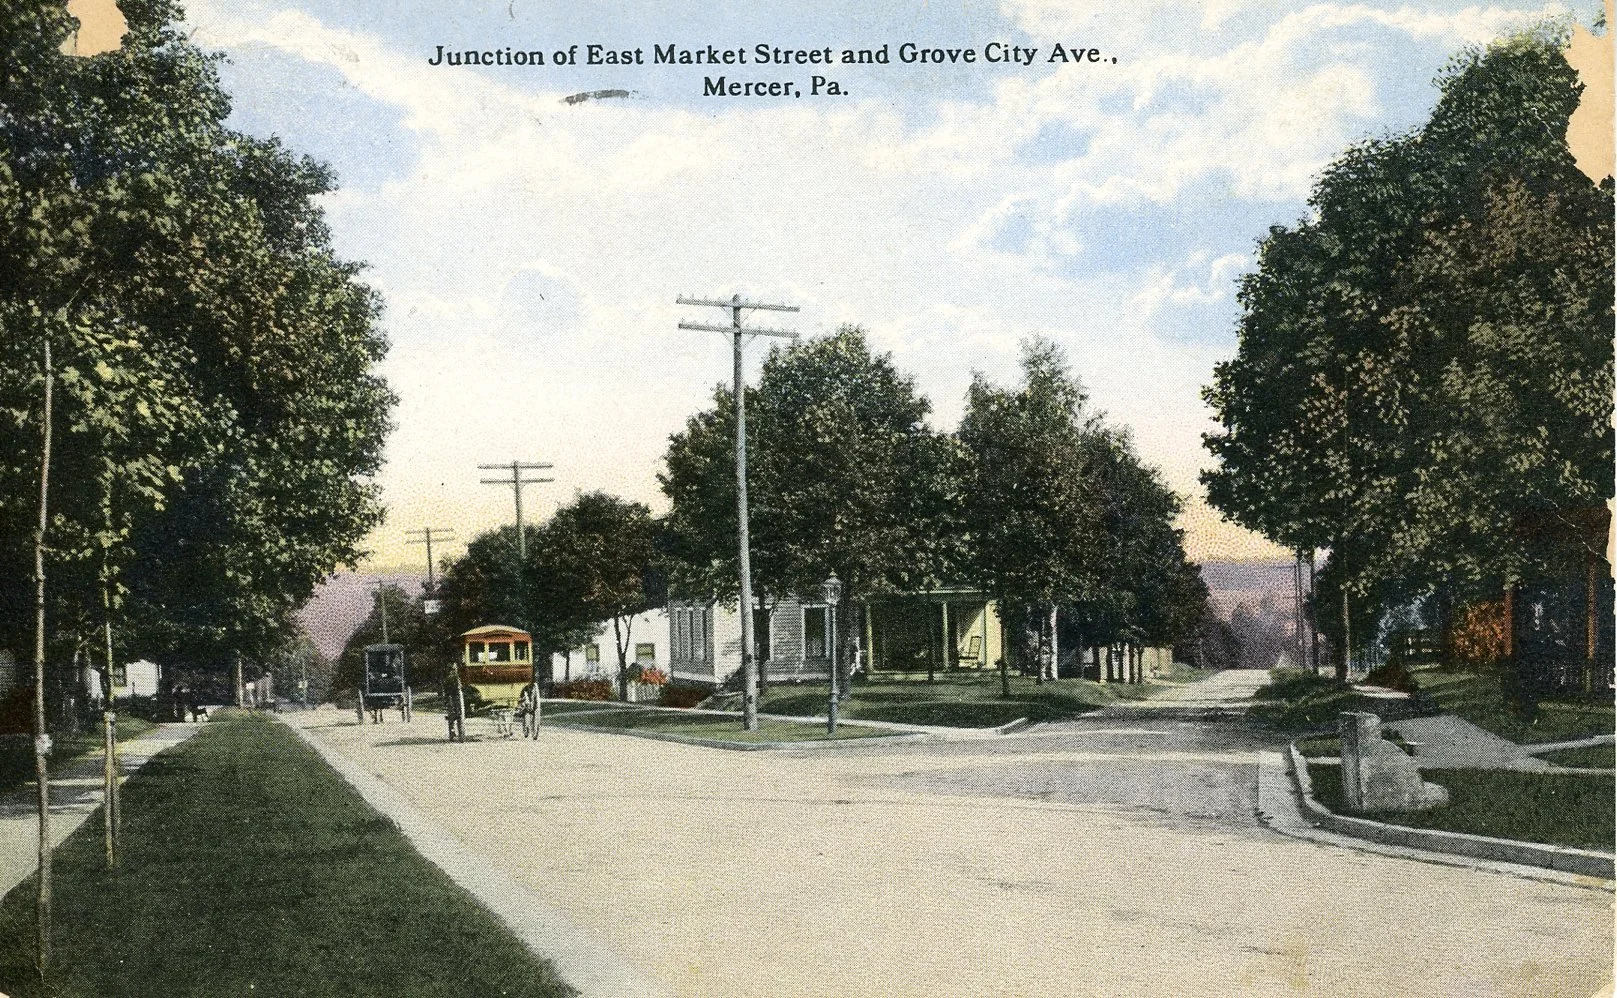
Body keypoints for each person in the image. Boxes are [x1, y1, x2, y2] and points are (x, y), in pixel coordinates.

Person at [443, 671, 465, 742]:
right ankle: (456, 734)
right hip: (455, 699)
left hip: (453, 699)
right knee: (457, 717)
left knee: (452, 718)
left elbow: (446, 692)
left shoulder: (448, 679)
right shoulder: (457, 678)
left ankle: (453, 734)